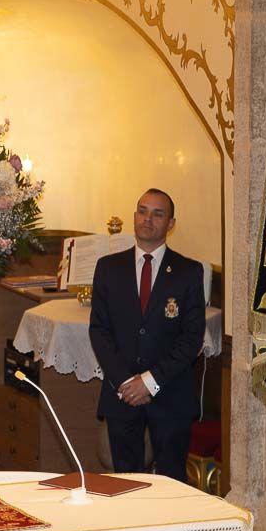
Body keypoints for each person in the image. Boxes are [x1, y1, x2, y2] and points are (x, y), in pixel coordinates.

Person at [89, 189, 205, 482]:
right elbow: (99, 331)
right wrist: (128, 382)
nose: (147, 219)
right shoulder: (108, 268)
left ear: (171, 223)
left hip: (170, 396)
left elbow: (191, 339)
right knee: (125, 482)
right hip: (122, 395)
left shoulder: (188, 272)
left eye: (158, 213)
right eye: (142, 211)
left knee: (171, 484)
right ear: (134, 217)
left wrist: (149, 382)